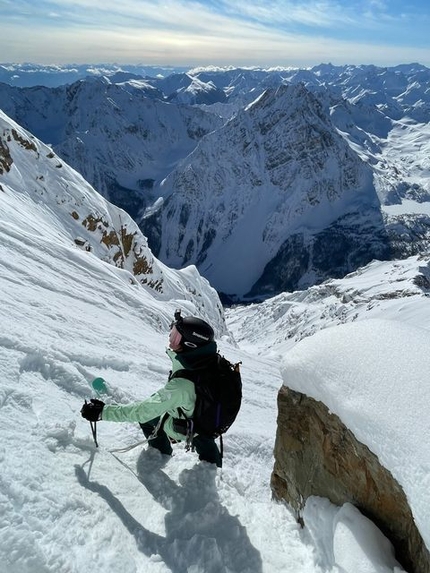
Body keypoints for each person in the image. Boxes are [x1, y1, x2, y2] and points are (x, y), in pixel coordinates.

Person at [81, 311, 222, 467]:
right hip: (209, 419)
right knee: (205, 442)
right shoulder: (211, 362)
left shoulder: (182, 385)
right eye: (172, 333)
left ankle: (160, 454)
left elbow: (144, 411)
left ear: (191, 345)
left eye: (176, 337)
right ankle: (213, 465)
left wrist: (103, 412)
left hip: (188, 426)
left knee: (147, 418)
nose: (170, 341)